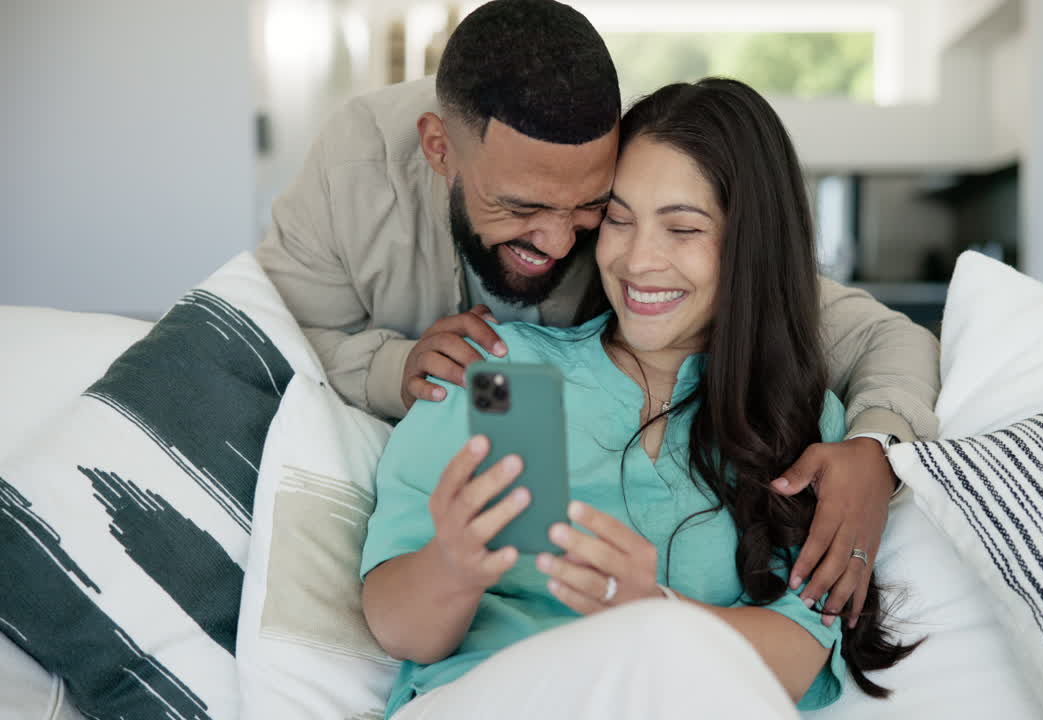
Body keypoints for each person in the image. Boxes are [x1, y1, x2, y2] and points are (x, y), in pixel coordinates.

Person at [257, 0, 939, 627]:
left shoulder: (633, 198)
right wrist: (390, 366)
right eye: (521, 208)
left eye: (590, 208)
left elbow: (877, 335)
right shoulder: (355, 169)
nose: (559, 243)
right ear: (440, 148)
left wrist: (877, 449)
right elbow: (263, 339)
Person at [360, 78, 921, 720]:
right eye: (619, 220)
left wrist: (651, 610)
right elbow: (397, 627)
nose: (637, 259)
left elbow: (798, 653)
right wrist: (453, 565)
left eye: (682, 229)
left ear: (749, 245)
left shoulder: (797, 422)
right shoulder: (508, 373)